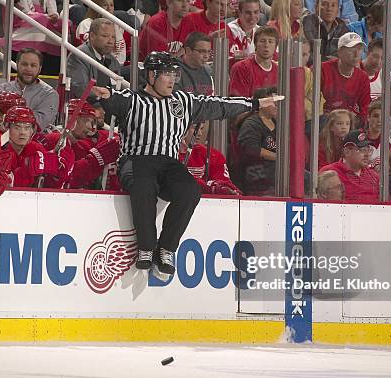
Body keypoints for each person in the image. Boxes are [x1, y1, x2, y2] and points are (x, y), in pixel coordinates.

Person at [91, 51, 279, 274]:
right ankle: (146, 247)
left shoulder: (183, 101)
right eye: (166, 74)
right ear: (151, 76)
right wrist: (104, 95)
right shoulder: (132, 99)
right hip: (137, 160)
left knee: (190, 190)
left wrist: (253, 104)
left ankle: (166, 248)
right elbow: (111, 99)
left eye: (174, 74)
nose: (172, 80)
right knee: (144, 186)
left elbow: (219, 105)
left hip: (169, 163)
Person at [41, 100, 121, 190]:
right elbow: (64, 180)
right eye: (86, 121)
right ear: (72, 120)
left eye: (92, 122)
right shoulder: (54, 140)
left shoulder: (82, 144)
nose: (90, 127)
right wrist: (95, 160)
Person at [0, 48, 58, 134]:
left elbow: (40, 123)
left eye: (33, 65)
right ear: (17, 64)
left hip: (33, 142)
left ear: (39, 69)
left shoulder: (49, 94)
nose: (28, 69)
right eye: (24, 64)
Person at [320, 31, 371, 124]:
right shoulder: (322, 69)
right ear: (339, 52)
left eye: (359, 49)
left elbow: (365, 108)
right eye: (351, 49)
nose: (356, 54)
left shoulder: (363, 77)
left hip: (349, 123)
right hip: (324, 122)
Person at [179, 122, 241, 195]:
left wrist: (217, 188)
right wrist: (209, 187)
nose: (199, 133)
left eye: (201, 128)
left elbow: (227, 186)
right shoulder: (168, 154)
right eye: (195, 128)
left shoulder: (213, 155)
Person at [67, 18, 122, 99]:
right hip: (84, 108)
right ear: (92, 36)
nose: (111, 41)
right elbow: (80, 89)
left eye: (113, 37)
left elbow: (117, 89)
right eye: (105, 36)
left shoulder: (114, 62)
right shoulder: (79, 56)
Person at [237, 86, 277, 196]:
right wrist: (280, 158)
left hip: (274, 174)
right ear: (260, 104)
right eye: (272, 102)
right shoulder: (251, 124)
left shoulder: (279, 123)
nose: (276, 105)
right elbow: (251, 149)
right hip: (256, 175)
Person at [320, 130, 380, 202]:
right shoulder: (330, 173)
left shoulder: (374, 177)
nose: (367, 154)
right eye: (362, 150)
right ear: (347, 152)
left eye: (368, 149)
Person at [228, 26, 279, 97]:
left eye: (270, 41)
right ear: (255, 45)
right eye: (262, 41)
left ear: (275, 46)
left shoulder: (278, 71)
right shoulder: (241, 68)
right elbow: (238, 103)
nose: (266, 45)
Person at [76, 0, 129, 66]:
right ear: (96, 6)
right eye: (105, 5)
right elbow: (93, 50)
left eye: (111, 5)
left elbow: (128, 50)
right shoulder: (86, 24)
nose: (109, 8)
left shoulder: (117, 25)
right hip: (97, 66)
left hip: (117, 66)